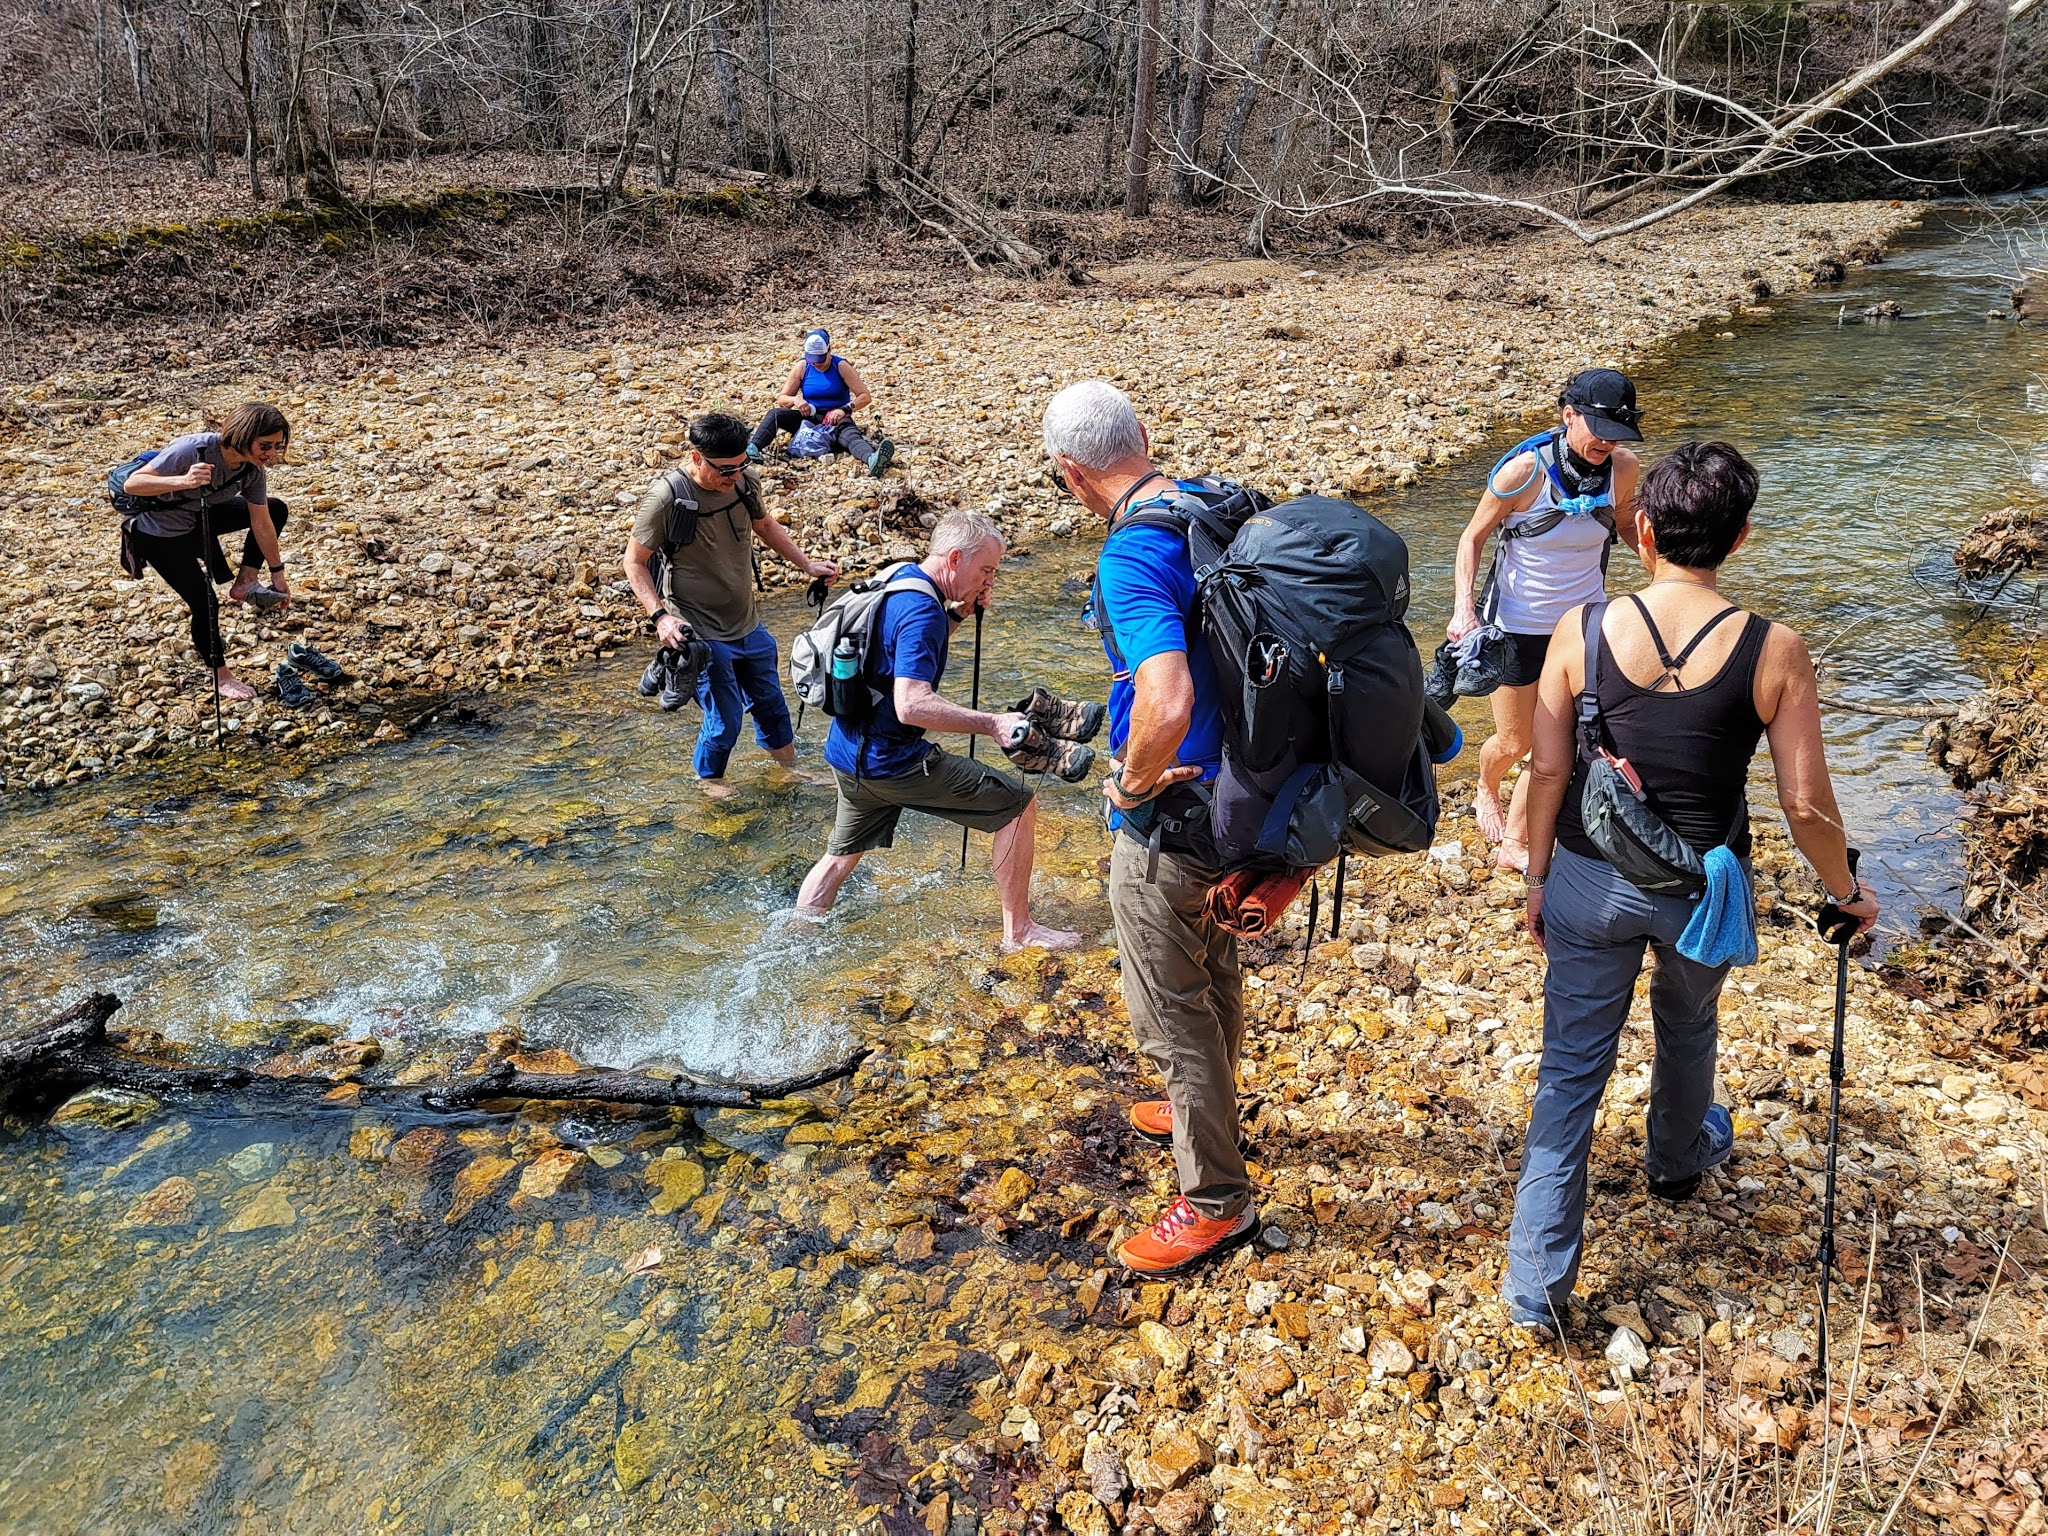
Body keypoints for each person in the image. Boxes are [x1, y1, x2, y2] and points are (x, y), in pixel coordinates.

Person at [1505, 440, 1880, 1339]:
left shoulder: (1583, 630)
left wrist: (1539, 877)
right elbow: (1803, 803)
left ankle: (1536, 1290)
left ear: (1640, 531)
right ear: (1741, 538)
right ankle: (1675, 1159)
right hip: (1701, 892)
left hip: (1591, 882)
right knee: (1688, 1021)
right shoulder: (1774, 647)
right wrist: (1848, 890)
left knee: (1568, 1073)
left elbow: (1548, 773)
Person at [1042, 379, 1257, 1279]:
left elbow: (1166, 696)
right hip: (1251, 791)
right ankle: (1199, 1101)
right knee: (1212, 962)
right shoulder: (1217, 505)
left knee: (1168, 1010)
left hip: (1178, 811)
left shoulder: (1131, 554)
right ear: (1145, 436)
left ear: (1070, 473)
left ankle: (1214, 1201)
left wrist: (1128, 788)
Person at [795, 510, 1081, 954]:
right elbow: (911, 705)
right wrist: (993, 723)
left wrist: (961, 614)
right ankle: (1019, 931)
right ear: (954, 559)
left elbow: (897, 653)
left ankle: (797, 939)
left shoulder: (902, 580)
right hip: (894, 763)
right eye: (985, 569)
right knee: (1019, 806)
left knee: (839, 857)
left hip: (847, 753)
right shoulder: (923, 612)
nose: (990, 579)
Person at [1447, 369, 1644, 873]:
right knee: (1517, 741)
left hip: (1582, 626)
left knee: (1564, 742)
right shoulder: (1523, 473)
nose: (1606, 441)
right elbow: (1471, 538)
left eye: (1615, 431)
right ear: (1568, 415)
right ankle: (1485, 784)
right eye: (1596, 427)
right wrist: (1463, 610)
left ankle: (1516, 838)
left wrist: (1672, 584)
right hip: (1516, 624)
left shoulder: (1624, 468)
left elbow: (1626, 527)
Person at [622, 412, 841, 799]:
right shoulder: (667, 497)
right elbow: (634, 562)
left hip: (746, 621)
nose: (734, 476)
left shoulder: (745, 484)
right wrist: (661, 618)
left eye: (742, 465)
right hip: (699, 629)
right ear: (696, 458)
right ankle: (709, 780)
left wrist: (807, 564)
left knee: (772, 704)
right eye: (725, 469)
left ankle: (790, 769)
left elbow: (766, 526)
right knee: (724, 718)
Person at [116, 402, 294, 702]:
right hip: (159, 532)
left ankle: (245, 583)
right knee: (206, 602)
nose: (271, 454)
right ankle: (221, 677)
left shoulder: (252, 470)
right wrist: (184, 481)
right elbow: (133, 484)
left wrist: (278, 574)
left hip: (199, 518)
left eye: (277, 446)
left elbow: (262, 523)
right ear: (242, 435)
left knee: (276, 509)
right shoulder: (192, 449)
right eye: (265, 445)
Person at [748, 329, 895, 476]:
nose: (816, 364)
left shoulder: (841, 366)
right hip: (809, 417)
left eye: (820, 359)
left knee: (850, 435)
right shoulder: (802, 367)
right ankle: (752, 448)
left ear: (829, 349)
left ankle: (871, 459)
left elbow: (865, 396)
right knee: (775, 415)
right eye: (813, 360)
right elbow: (782, 399)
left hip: (837, 419)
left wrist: (844, 409)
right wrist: (796, 400)